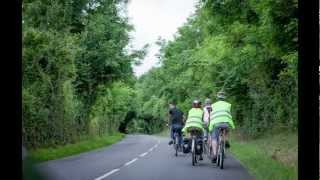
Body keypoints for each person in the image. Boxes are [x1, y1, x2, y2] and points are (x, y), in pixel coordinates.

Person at [208, 91, 235, 163]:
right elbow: (229, 114)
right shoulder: (228, 105)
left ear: (218, 97)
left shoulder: (213, 105)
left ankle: (214, 155)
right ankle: (225, 140)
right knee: (226, 130)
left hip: (216, 123)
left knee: (214, 138)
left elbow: (211, 116)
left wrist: (210, 126)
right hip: (225, 123)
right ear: (224, 97)